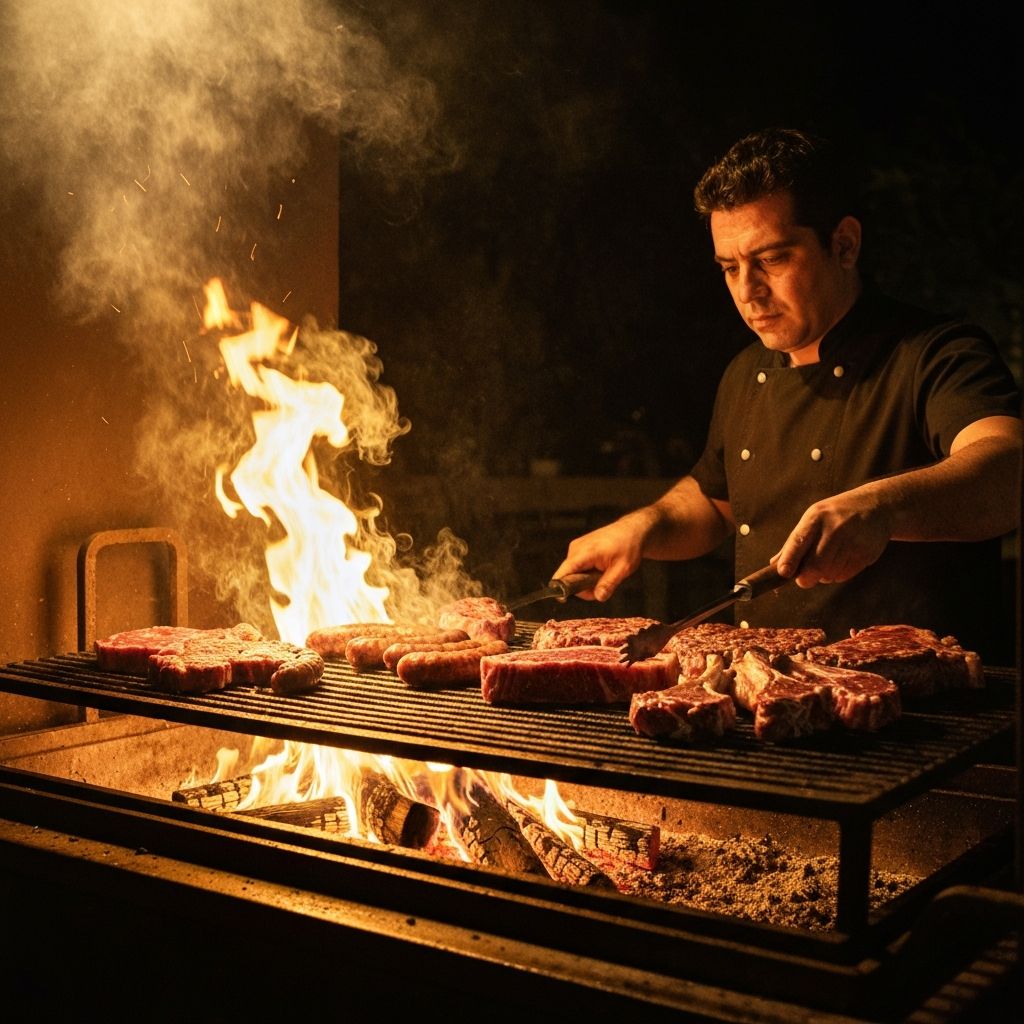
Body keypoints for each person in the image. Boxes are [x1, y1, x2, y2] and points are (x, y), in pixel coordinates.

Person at [552, 127, 1023, 661]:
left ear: (843, 244)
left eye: (772, 259)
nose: (747, 291)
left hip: (915, 709)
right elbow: (714, 503)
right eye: (730, 268)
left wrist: (880, 508)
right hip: (767, 695)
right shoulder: (744, 372)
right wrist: (644, 526)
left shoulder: (936, 353)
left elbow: (1008, 468)